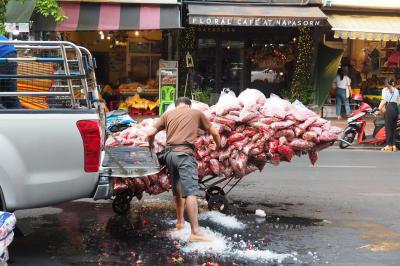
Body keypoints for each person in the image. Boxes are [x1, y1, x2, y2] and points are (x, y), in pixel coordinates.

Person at [147, 97, 221, 242]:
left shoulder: (167, 115)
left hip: (169, 156)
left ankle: (180, 223)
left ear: (176, 106)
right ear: (189, 105)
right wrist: (218, 146)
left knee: (178, 190)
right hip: (184, 155)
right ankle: (195, 232)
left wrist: (150, 146)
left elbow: (150, 133)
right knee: (191, 191)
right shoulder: (196, 113)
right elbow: (215, 133)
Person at [377, 79, 399, 152]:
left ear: (386, 83)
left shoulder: (384, 90)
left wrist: (378, 109)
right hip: (395, 109)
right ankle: (394, 146)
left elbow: (384, 100)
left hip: (389, 108)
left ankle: (388, 146)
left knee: (388, 128)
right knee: (393, 128)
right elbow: (398, 101)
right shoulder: (396, 90)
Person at [0, 34, 21, 109]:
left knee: (7, 94)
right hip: (11, 53)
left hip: (3, 55)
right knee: (9, 93)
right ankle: (19, 118)